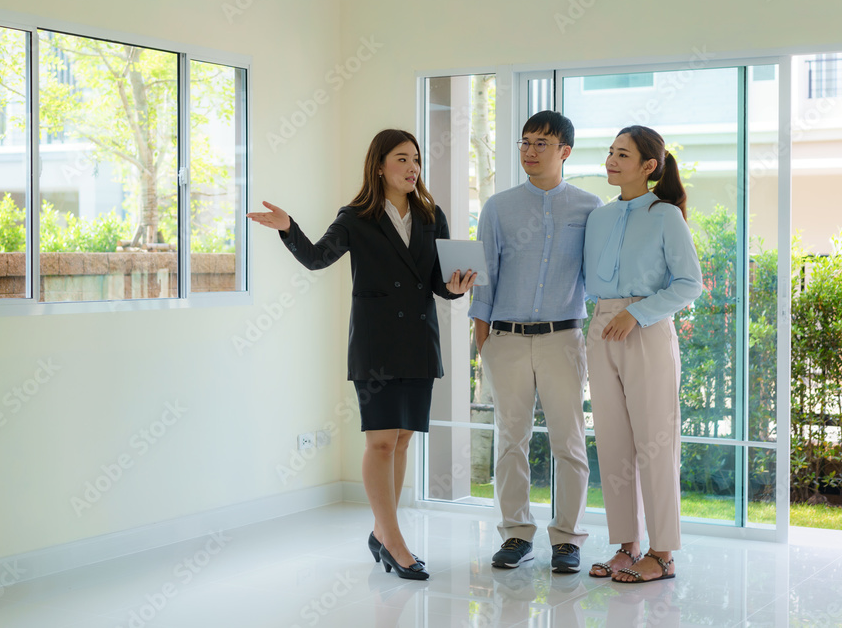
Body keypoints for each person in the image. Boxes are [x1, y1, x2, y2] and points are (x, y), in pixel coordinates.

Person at [247, 128, 476, 581]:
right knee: (381, 441)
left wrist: (454, 288)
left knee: (404, 438)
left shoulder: (432, 215)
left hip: (418, 341)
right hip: (376, 343)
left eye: (416, 160)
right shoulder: (355, 217)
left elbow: (436, 283)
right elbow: (316, 258)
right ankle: (393, 540)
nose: (412, 168)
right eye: (402, 159)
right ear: (379, 166)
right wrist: (289, 229)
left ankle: (380, 529)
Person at [469, 110, 602, 573]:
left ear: (564, 150)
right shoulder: (498, 207)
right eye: (524, 142)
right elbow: (482, 279)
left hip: (563, 338)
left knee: (570, 442)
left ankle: (567, 539)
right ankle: (515, 535)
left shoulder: (590, 209)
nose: (529, 150)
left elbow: (598, 275)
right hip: (504, 340)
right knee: (511, 440)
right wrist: (483, 341)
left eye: (540, 143)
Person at [583, 125, 703, 583]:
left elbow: (689, 284)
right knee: (612, 443)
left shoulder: (665, 214)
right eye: (610, 153)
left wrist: (638, 314)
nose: (611, 161)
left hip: (646, 328)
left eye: (622, 155)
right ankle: (626, 545)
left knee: (656, 443)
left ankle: (663, 552)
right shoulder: (598, 217)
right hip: (601, 327)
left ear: (649, 166)